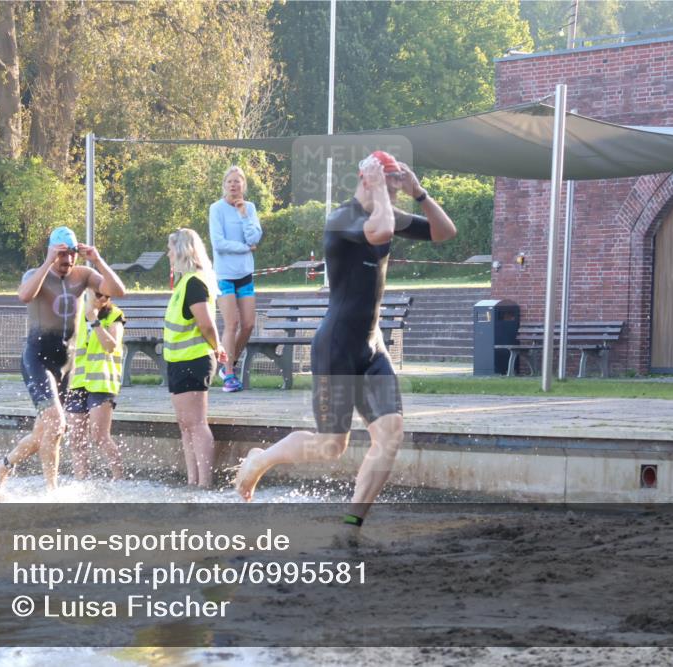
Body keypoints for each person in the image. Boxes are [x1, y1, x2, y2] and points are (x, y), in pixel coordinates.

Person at [233, 151, 457, 536]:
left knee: (390, 436)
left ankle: (351, 524)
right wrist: (381, 189)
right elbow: (382, 230)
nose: (394, 190)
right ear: (365, 178)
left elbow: (444, 232)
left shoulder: (388, 211)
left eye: (395, 183)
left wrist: (419, 192)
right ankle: (260, 460)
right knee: (330, 445)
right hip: (336, 346)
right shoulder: (342, 219)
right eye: (389, 183)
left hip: (372, 348)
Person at [0, 226, 126, 491]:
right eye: (62, 255)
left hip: (65, 365)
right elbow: (24, 295)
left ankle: (3, 465)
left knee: (46, 431)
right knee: (57, 424)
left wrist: (97, 260)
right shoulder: (36, 274)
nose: (68, 261)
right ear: (52, 252)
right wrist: (46, 263)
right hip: (37, 359)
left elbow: (118, 291)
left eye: (72, 254)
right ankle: (52, 492)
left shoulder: (83, 275)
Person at [165, 228, 228, 488]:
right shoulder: (184, 282)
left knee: (197, 423)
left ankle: (205, 483)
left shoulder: (194, 282)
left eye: (170, 248)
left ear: (181, 250)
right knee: (185, 425)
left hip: (194, 360)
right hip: (178, 361)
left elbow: (206, 322)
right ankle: (192, 481)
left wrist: (218, 346)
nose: (168, 254)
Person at [208, 165, 263, 392]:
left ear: (243, 185)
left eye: (237, 182)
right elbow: (218, 243)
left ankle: (227, 362)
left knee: (248, 325)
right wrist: (244, 248)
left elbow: (255, 236)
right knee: (232, 323)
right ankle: (229, 375)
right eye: (230, 181)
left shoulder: (249, 208)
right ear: (224, 185)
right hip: (224, 276)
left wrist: (243, 216)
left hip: (245, 275)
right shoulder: (216, 209)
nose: (233, 185)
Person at [65, 288, 126, 480]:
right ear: (89, 292)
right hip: (77, 382)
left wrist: (94, 320)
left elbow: (111, 345)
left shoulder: (114, 315)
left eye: (107, 296)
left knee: (100, 436)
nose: (103, 299)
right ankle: (80, 480)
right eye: (99, 295)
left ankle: (119, 479)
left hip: (102, 382)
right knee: (76, 438)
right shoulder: (76, 313)